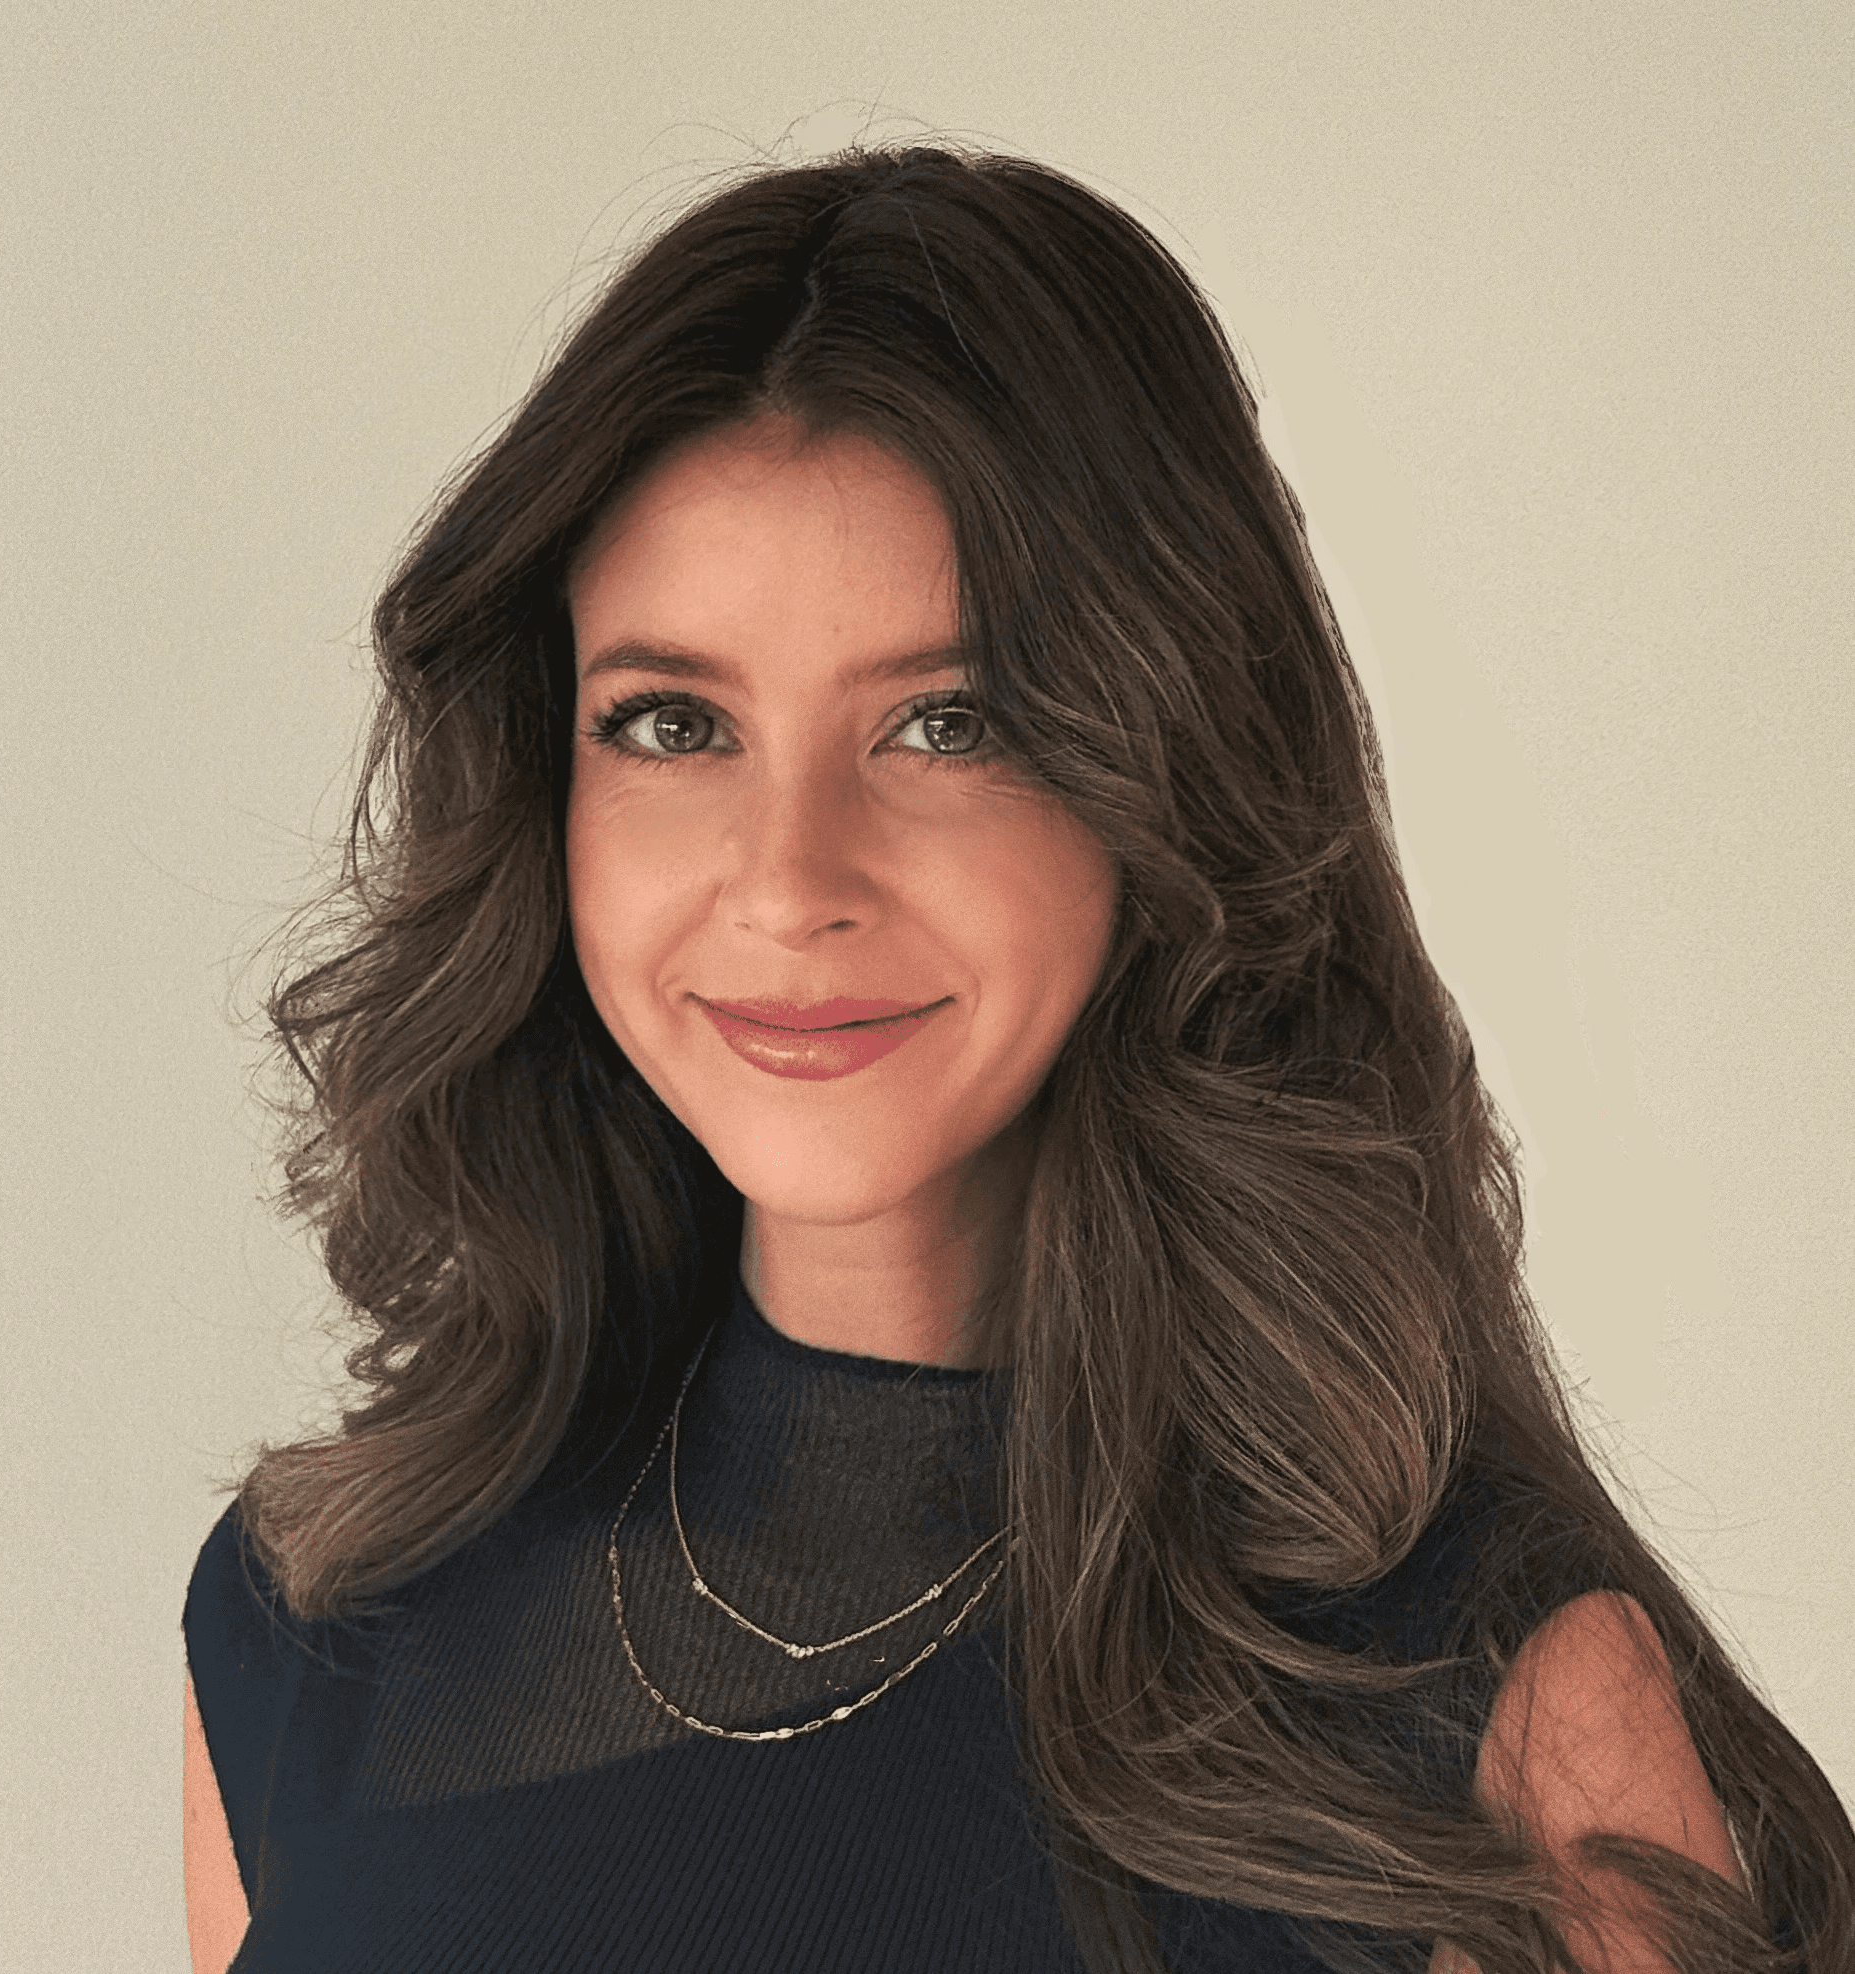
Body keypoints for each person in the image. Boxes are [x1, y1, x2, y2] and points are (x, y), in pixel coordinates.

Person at [180, 141, 1852, 1974]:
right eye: (671, 721)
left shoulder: (1474, 1714)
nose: (788, 879)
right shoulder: (317, 1626)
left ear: (1167, 777)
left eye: (943, 720)